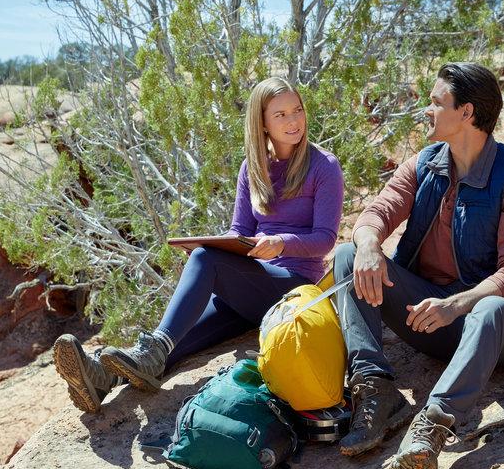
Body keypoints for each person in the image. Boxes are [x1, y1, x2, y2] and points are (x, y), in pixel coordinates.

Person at [52, 77, 344, 413]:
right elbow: (240, 230)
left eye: (297, 110)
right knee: (176, 338)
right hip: (252, 289)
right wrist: (224, 247)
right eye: (281, 114)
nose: (294, 121)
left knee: (207, 260)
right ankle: (103, 379)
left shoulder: (324, 166)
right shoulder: (252, 168)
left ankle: (147, 353)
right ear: (262, 122)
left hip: (294, 289)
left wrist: (280, 244)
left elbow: (325, 239)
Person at [333, 62, 504, 469]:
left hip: (496, 327)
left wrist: (456, 305)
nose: (426, 110)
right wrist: (370, 243)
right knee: (348, 254)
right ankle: (376, 390)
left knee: (490, 309)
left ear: (466, 112)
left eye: (435, 102)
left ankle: (431, 427)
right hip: (428, 318)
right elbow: (377, 212)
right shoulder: (425, 163)